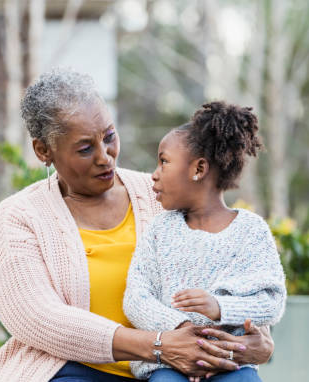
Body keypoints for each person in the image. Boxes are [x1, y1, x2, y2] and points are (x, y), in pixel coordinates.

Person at [0, 69, 275, 382]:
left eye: (109, 137)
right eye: (85, 149)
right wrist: (159, 345)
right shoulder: (20, 216)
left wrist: (256, 340)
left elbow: (221, 264)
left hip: (170, 372)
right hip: (72, 371)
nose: (105, 157)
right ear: (43, 150)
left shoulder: (164, 195)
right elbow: (38, 317)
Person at [123, 102, 287, 382]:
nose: (154, 173)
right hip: (167, 366)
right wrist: (183, 330)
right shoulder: (160, 230)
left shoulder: (251, 231)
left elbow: (272, 300)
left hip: (232, 365)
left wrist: (221, 308)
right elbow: (136, 298)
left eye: (164, 161)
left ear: (198, 168)